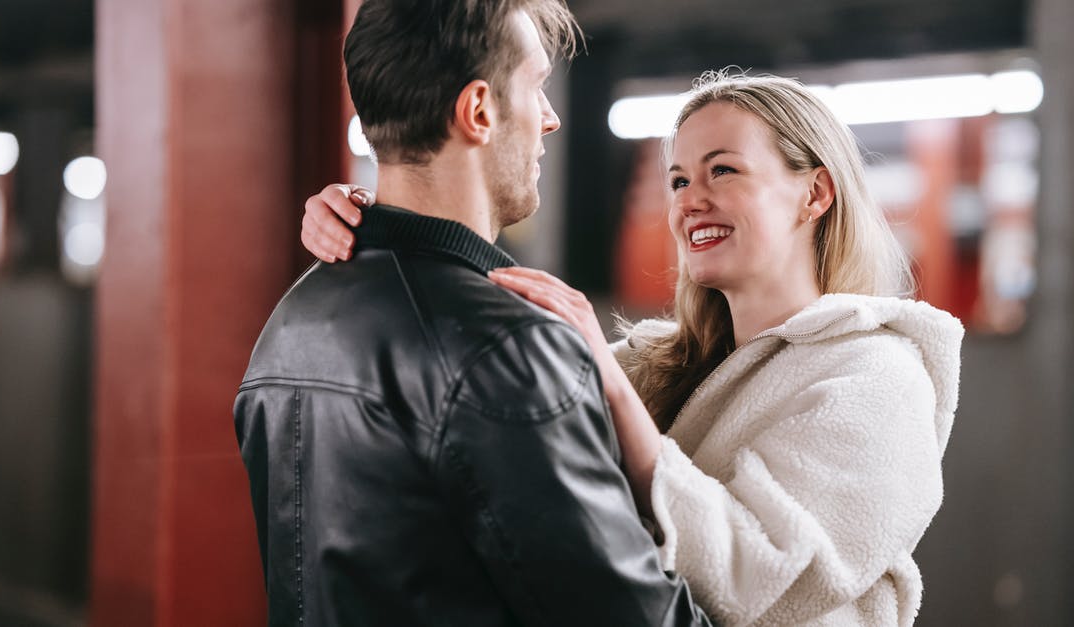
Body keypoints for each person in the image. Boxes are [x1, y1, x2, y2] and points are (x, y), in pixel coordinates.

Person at [301, 70, 964, 626]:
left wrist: (609, 383)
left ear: (815, 192)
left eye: (722, 170)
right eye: (677, 181)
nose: (689, 201)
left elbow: (760, 575)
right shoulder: (654, 363)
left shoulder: (879, 380)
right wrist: (376, 221)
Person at [234, 1, 714, 626]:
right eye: (538, 86)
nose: (551, 118)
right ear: (479, 111)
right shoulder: (507, 348)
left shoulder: (290, 322)